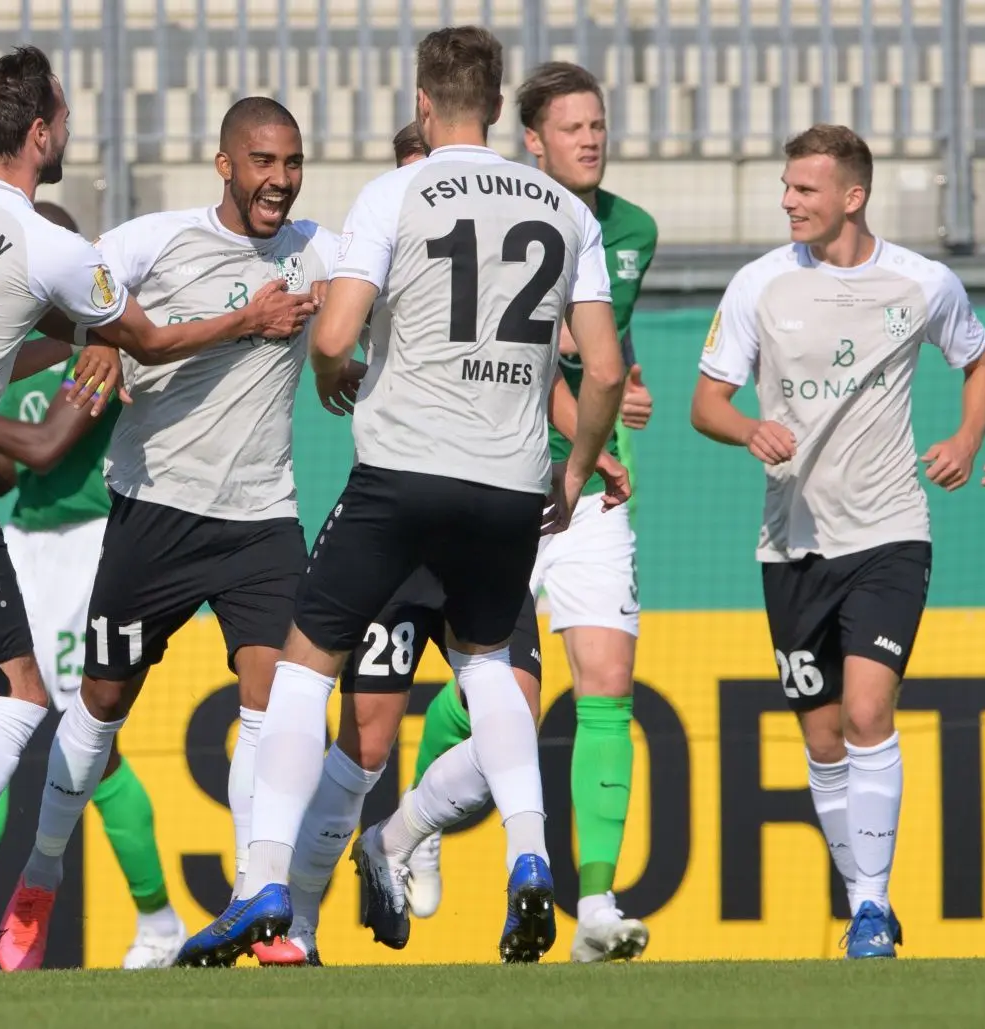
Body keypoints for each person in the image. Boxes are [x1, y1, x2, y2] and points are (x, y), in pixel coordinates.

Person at [0, 46, 310, 973]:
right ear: (42, 131)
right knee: (21, 701)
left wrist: (79, 340)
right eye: (64, 115)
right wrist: (242, 321)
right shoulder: (49, 244)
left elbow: (8, 339)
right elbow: (146, 336)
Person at [176, 25, 625, 969]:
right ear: (500, 106)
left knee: (303, 668)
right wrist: (575, 467)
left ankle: (265, 879)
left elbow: (335, 331)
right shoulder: (563, 210)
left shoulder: (396, 191)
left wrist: (335, 368)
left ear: (425, 104)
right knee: (490, 666)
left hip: (402, 475)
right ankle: (531, 857)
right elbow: (608, 369)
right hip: (509, 484)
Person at [0, 96, 338, 971]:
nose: (280, 180)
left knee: (276, 700)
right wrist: (101, 339)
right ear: (225, 164)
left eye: (292, 163)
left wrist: (354, 362)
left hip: (262, 517)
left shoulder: (314, 251)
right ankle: (38, 880)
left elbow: (360, 306)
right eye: (263, 161)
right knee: (100, 706)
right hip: (155, 513)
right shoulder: (154, 242)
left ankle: (257, 900)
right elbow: (75, 305)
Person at [689, 124, 985, 959]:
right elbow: (707, 401)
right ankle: (869, 897)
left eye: (805, 189)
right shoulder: (759, 284)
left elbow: (979, 363)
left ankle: (868, 910)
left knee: (868, 712)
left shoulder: (922, 282)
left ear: (852, 197)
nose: (789, 201)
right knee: (823, 737)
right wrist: (748, 427)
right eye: (786, 188)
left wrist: (967, 439)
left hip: (889, 532)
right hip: (791, 544)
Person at [401, 61, 658, 964]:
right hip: (501, 486)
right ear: (532, 141)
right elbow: (529, 356)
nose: (591, 138)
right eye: (573, 127)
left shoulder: (632, 229)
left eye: (600, 123)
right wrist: (590, 433)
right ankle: (414, 821)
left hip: (584, 493)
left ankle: (595, 902)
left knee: (606, 685)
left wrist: (612, 399)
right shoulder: (511, 210)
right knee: (491, 704)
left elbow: (592, 344)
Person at [0, 202, 186, 970]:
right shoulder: (14, 351)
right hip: (25, 544)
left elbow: (47, 449)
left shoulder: (96, 343)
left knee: (93, 752)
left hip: (88, 549)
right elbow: (10, 472)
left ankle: (159, 920)